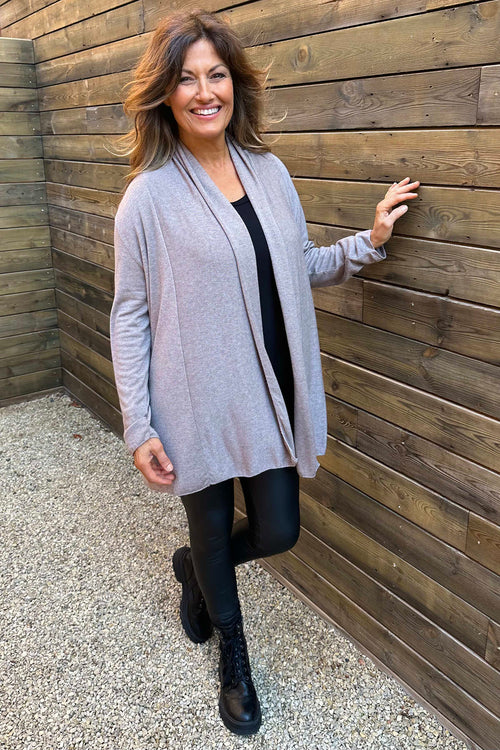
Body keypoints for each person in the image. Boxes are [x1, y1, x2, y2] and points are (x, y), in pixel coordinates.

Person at [109, 9, 420, 737]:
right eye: (186, 79)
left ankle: (195, 568)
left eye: (216, 74)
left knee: (279, 531)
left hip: (271, 393)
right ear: (165, 94)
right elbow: (130, 315)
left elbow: (296, 266)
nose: (204, 91)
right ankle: (234, 654)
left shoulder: (270, 174)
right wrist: (139, 425)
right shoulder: (147, 197)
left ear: (235, 85)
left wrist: (370, 240)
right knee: (214, 529)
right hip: (195, 403)